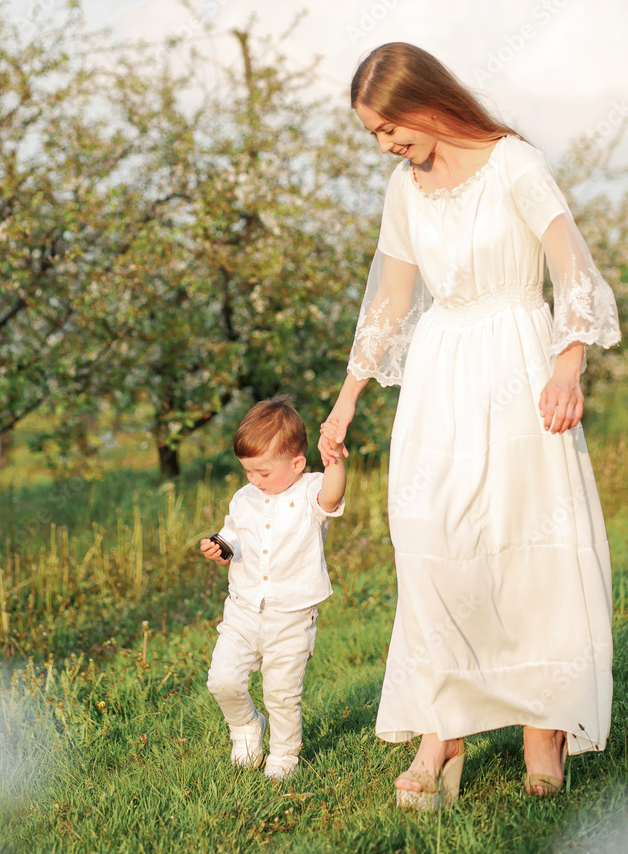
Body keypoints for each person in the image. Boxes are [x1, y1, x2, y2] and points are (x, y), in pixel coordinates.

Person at [318, 42, 621, 809]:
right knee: (431, 539)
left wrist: (567, 362)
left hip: (520, 363)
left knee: (527, 545)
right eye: (375, 135)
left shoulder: (515, 162)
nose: (385, 145)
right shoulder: (403, 187)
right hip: (440, 372)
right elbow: (389, 299)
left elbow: (572, 268)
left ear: (425, 103)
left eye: (388, 128)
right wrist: (347, 396)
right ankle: (441, 729)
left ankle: (543, 728)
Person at [201, 394, 346, 781]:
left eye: (263, 473)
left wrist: (335, 461)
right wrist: (220, 549)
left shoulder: (309, 491)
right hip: (243, 609)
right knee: (222, 679)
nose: (254, 480)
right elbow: (235, 540)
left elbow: (332, 497)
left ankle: (284, 756)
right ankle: (247, 726)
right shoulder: (244, 498)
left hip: (292, 615)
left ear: (296, 464)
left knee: (282, 694)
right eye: (248, 471)